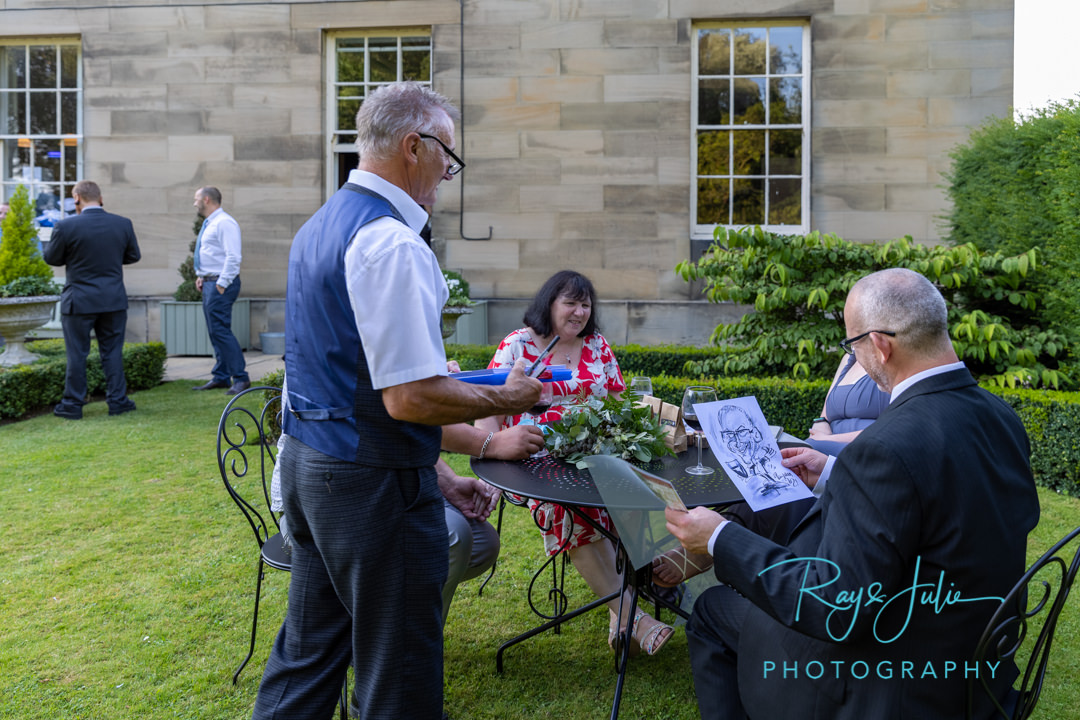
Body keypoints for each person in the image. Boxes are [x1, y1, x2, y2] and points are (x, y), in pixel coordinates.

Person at [252, 82, 541, 720]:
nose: (449, 174)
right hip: (370, 490)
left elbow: (349, 381)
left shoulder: (317, 228)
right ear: (415, 146)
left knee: (307, 657)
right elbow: (410, 397)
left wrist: (438, 473)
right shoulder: (392, 243)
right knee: (399, 677)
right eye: (449, 157)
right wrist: (510, 395)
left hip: (307, 468)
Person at [665, 268, 1039, 720]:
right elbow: (938, 498)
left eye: (852, 346)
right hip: (977, 664)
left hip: (891, 682)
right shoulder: (1001, 417)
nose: (856, 357)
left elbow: (836, 608)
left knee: (711, 611)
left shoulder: (886, 445)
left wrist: (719, 538)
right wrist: (832, 472)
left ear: (880, 345)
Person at [476, 269, 674, 657]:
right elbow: (488, 409)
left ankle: (623, 614)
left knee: (639, 487)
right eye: (570, 302)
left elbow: (620, 401)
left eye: (585, 304)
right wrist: (490, 455)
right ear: (548, 304)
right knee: (569, 511)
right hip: (534, 461)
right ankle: (634, 616)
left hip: (598, 454)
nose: (579, 312)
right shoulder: (517, 346)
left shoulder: (597, 345)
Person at [43, 180, 141, 420]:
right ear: (100, 198)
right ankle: (118, 401)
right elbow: (133, 256)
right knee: (113, 353)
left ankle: (72, 405)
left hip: (79, 300)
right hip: (113, 299)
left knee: (77, 354)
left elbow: (52, 259)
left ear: (76, 198)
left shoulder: (66, 226)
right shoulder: (122, 223)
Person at [190, 186, 249, 395]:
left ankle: (241, 378)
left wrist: (221, 283)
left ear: (206, 199)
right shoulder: (211, 223)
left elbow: (233, 257)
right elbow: (213, 254)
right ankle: (221, 376)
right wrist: (202, 276)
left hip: (221, 284)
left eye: (196, 199)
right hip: (210, 282)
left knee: (221, 330)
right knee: (215, 330)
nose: (194, 202)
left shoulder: (225, 223)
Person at [805, 353, 890, 456]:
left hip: (867, 450)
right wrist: (818, 430)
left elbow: (893, 428)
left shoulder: (891, 359)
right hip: (827, 445)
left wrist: (827, 440)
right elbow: (824, 416)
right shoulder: (848, 358)